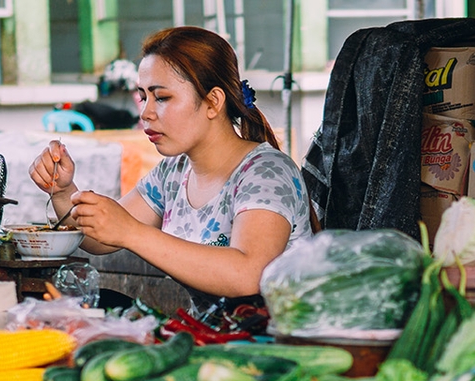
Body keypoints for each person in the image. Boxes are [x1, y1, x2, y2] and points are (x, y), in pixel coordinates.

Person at [29, 26, 313, 312]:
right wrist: (64, 191)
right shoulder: (173, 173)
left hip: (278, 343)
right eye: (143, 97)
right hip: (212, 338)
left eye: (162, 98)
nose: (145, 113)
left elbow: (248, 274)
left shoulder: (266, 173)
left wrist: (133, 232)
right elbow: (101, 238)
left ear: (213, 102)